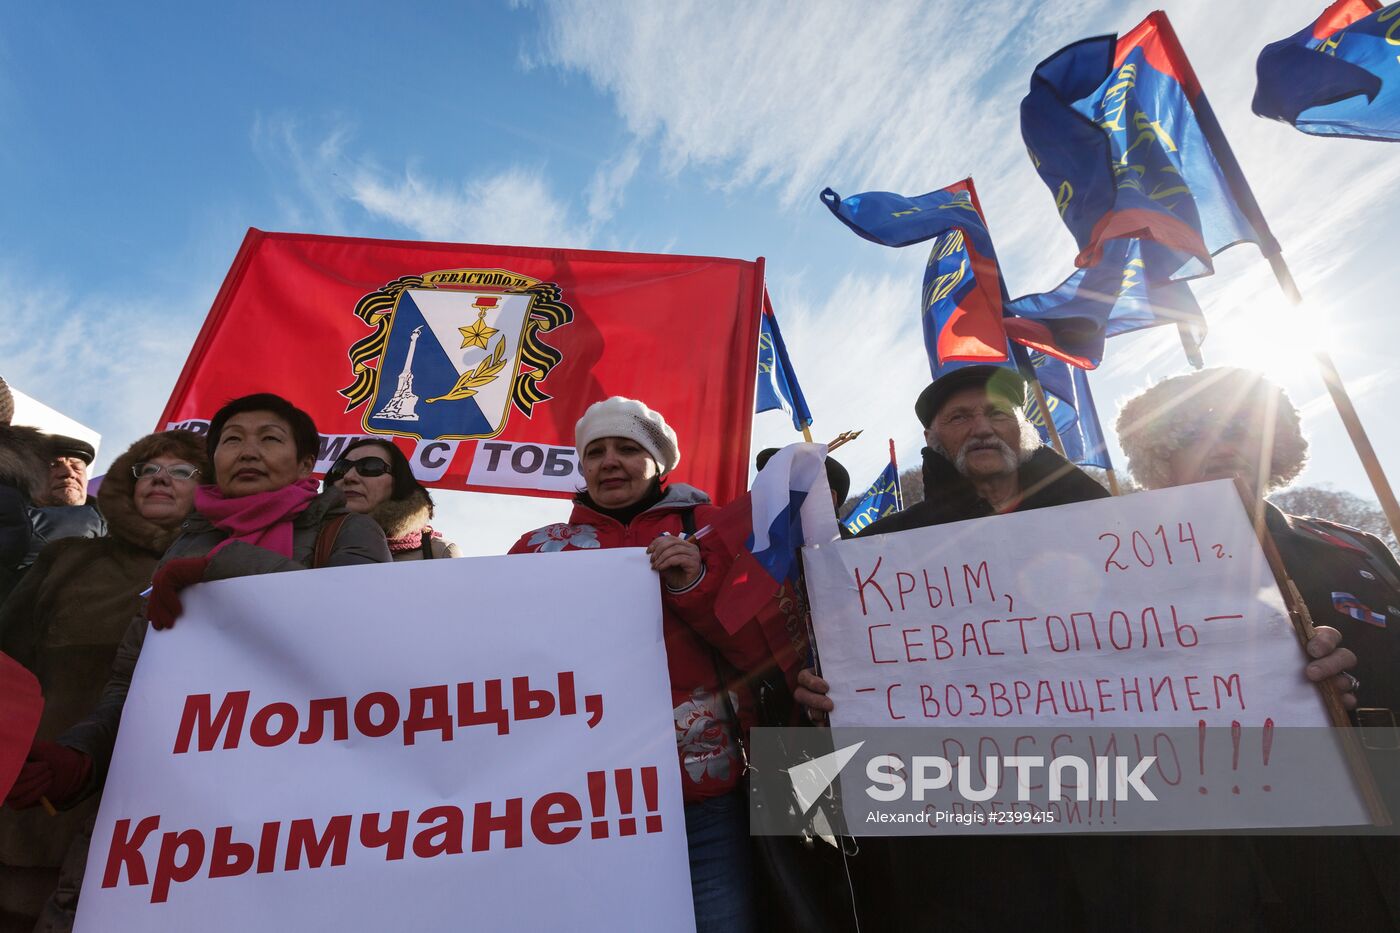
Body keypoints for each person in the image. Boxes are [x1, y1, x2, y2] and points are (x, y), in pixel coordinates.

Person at [791, 365, 1362, 931]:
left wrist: (1301, 664)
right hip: (982, 857)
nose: (982, 427)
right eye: (960, 417)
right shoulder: (882, 553)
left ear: (1024, 427)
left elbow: (1219, 638)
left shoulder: (1131, 524)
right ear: (933, 440)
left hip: (1153, 841)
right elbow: (846, 688)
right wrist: (825, 700)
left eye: (997, 412)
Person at [3, 393, 390, 931]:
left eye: (270, 438)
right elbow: (131, 686)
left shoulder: (345, 533)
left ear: (306, 464)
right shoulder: (184, 544)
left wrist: (220, 566)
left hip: (284, 818)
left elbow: (367, 637)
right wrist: (78, 759)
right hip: (158, 814)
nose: (248, 450)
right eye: (232, 439)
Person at [1118, 366, 1400, 930]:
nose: (1225, 446)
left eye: (1242, 429)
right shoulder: (1127, 575)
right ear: (1160, 458)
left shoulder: (1355, 544)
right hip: (1269, 840)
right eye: (1196, 433)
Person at [509, 397, 767, 933]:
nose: (609, 461)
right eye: (595, 451)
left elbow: (765, 650)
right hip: (583, 805)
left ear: (659, 463)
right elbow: (503, 659)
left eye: (628, 448)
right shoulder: (535, 550)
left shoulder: (715, 532)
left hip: (702, 793)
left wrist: (695, 585)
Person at [0, 430, 208, 932]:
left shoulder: (222, 575)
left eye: (182, 471)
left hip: (157, 833)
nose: (160, 478)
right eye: (148, 469)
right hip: (35, 808)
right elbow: (8, 660)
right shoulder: (67, 559)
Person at [325, 437, 461, 560]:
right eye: (341, 469)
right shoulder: (306, 540)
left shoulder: (438, 553)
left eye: (370, 467)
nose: (349, 477)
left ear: (398, 483)